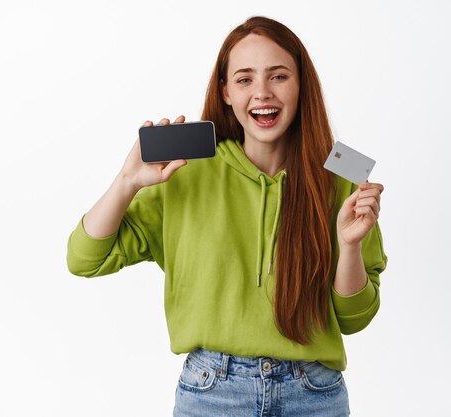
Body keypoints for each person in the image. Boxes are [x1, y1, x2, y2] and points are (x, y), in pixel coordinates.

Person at [67, 16, 387, 417]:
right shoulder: (184, 172)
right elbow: (83, 259)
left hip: (313, 393)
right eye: (244, 79)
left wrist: (350, 245)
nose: (262, 93)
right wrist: (127, 181)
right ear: (226, 92)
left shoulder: (342, 180)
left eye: (279, 76)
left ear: (302, 85)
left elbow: (355, 319)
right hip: (211, 393)